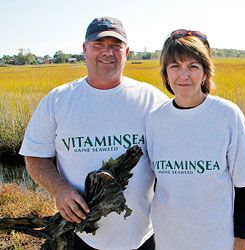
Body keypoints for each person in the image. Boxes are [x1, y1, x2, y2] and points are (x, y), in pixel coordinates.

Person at [19, 17, 168, 250]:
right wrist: (61, 190)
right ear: (84, 49)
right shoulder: (58, 100)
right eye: (99, 45)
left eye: (115, 46)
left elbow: (175, 159)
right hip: (80, 237)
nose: (107, 52)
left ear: (126, 51)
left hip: (145, 237)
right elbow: (35, 158)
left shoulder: (151, 100)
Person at [145, 29, 245, 250]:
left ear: (205, 73)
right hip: (168, 240)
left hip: (218, 240)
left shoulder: (227, 115)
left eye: (193, 67)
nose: (184, 75)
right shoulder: (155, 119)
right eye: (175, 67)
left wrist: (241, 241)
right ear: (166, 74)